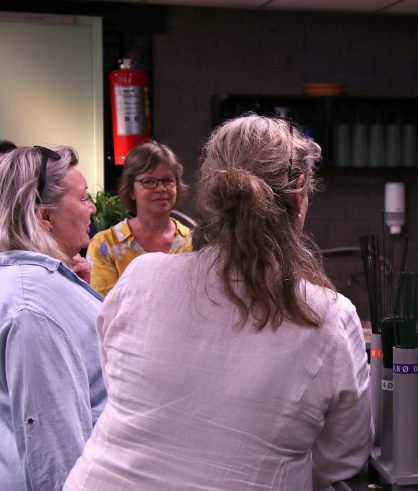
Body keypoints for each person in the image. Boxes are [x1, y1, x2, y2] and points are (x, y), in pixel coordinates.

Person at [65, 115, 372, 490]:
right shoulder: (328, 316)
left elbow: (121, 385)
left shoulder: (141, 277)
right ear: (298, 193)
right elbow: (344, 456)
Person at [0, 145, 106, 490]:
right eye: (83, 198)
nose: (91, 209)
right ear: (45, 217)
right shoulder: (33, 305)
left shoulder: (34, 288)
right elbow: (53, 443)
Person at [86, 140, 192, 296]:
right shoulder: (105, 245)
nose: (161, 189)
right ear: (130, 190)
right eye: (149, 181)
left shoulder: (194, 243)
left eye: (168, 180)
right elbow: (103, 310)